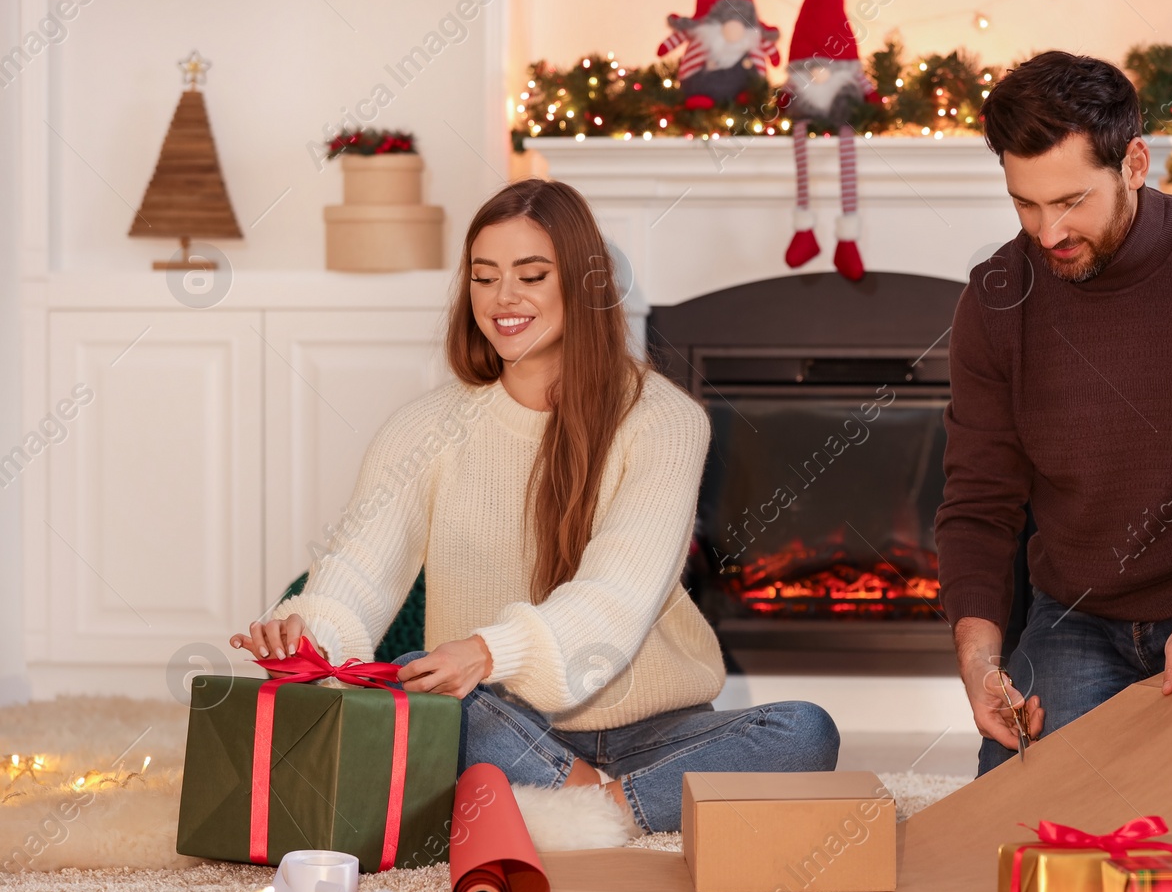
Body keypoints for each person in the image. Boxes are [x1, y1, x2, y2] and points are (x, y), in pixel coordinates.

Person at [231, 178, 839, 836]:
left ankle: (585, 809)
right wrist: (306, 631)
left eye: (531, 275)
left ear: (581, 283)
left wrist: (489, 650)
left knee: (803, 731)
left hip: (656, 731)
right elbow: (357, 569)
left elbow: (617, 593)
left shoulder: (665, 420)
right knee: (420, 685)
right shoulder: (422, 428)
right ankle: (627, 808)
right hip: (499, 721)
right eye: (485, 277)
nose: (503, 299)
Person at [934, 51, 1172, 816]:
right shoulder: (995, 300)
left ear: (1136, 163)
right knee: (1025, 835)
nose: (1049, 232)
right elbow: (978, 504)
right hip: (1079, 613)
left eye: (1072, 201)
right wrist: (981, 663)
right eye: (1026, 205)